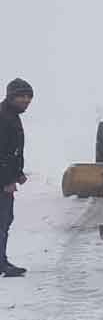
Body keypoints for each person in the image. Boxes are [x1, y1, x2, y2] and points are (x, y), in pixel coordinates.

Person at [0, 79, 33, 278]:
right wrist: (6, 181)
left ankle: (2, 261)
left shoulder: (12, 115)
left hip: (6, 178)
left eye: (29, 97)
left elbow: (14, 151)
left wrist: (18, 172)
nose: (26, 100)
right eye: (22, 96)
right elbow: (2, 153)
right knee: (2, 221)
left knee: (5, 220)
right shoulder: (3, 117)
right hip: (2, 181)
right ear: (11, 96)